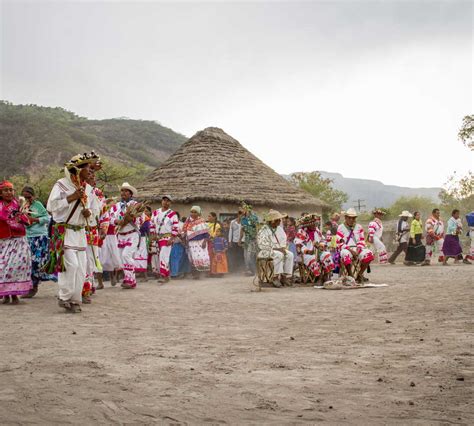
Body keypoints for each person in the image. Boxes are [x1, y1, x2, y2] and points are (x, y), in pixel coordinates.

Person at [46, 153, 94, 313]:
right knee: (71, 265)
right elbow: (52, 206)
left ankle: (75, 300)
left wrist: (89, 214)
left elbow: (93, 210)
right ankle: (64, 296)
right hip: (64, 231)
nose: (91, 172)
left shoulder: (88, 188)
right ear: (77, 170)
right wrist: (72, 197)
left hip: (80, 233)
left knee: (81, 268)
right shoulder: (61, 184)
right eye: (87, 169)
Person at [0, 181, 33, 304]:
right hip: (4, 241)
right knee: (4, 267)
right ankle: (5, 294)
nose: (9, 192)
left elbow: (26, 220)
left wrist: (21, 215)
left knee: (17, 267)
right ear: (1, 193)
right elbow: (4, 217)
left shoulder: (18, 204)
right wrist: (15, 214)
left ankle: (14, 294)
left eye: (11, 190)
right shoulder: (0, 206)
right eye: (6, 190)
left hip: (19, 240)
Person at [21, 186, 56, 298]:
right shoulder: (22, 206)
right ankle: (31, 287)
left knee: (37, 262)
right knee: (28, 263)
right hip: (27, 236)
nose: (28, 199)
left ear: (33, 196)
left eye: (29, 197)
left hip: (39, 236)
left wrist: (35, 220)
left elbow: (47, 218)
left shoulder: (38, 205)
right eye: (25, 197)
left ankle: (34, 286)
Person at [109, 182, 141, 289]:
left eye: (126, 191)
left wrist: (130, 219)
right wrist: (118, 221)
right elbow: (111, 219)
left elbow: (141, 219)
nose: (123, 193)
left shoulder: (136, 205)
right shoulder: (115, 206)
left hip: (132, 234)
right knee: (122, 258)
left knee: (126, 255)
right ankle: (130, 280)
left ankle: (130, 280)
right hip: (121, 235)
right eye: (122, 191)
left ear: (131, 194)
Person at [257, 209, 294, 288]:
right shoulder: (264, 229)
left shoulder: (279, 229)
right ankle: (275, 277)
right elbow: (262, 244)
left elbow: (283, 239)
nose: (280, 221)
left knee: (290, 254)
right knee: (279, 255)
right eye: (278, 220)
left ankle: (284, 276)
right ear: (273, 221)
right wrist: (277, 249)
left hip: (279, 250)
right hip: (265, 251)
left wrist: (283, 248)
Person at [336, 208, 374, 283]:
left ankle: (359, 275)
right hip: (346, 249)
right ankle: (350, 275)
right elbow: (339, 242)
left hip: (358, 249)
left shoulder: (359, 227)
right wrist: (351, 250)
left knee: (369, 253)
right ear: (346, 218)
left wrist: (359, 249)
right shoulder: (340, 227)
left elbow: (361, 240)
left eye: (353, 218)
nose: (351, 219)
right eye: (349, 218)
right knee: (345, 254)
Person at [150, 195, 179, 283]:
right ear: (161, 201)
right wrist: (153, 233)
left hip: (167, 237)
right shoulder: (156, 212)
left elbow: (175, 227)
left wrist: (172, 238)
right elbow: (151, 224)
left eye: (168, 201)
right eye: (164, 200)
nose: (165, 202)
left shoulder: (173, 214)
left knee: (164, 256)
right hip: (158, 237)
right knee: (160, 256)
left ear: (170, 203)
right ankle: (166, 275)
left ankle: (163, 275)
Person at [183, 206, 211, 279]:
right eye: (192, 212)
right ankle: (195, 274)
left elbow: (206, 233)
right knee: (192, 258)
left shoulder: (202, 221)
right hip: (191, 243)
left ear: (198, 213)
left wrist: (205, 241)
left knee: (200, 257)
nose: (193, 213)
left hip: (201, 242)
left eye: (195, 212)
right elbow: (185, 232)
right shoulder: (187, 221)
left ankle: (199, 274)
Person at [240, 203, 259, 276]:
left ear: (248, 209)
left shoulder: (254, 218)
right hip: (246, 239)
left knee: (250, 255)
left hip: (252, 239)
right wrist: (240, 239)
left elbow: (257, 228)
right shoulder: (243, 219)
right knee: (245, 256)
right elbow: (242, 229)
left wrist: (257, 238)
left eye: (244, 209)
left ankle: (252, 270)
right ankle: (248, 269)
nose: (242, 210)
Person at [170, 212, 191, 278]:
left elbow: (184, 233)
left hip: (179, 243)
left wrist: (179, 235)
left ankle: (176, 273)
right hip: (171, 244)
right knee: (173, 259)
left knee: (178, 258)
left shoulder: (182, 224)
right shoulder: (169, 224)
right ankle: (174, 273)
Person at [134, 206, 152, 280]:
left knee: (143, 256)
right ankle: (138, 275)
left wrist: (149, 241)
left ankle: (145, 276)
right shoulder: (136, 218)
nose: (145, 212)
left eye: (146, 211)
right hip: (135, 239)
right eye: (143, 211)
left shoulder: (146, 219)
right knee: (136, 256)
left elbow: (147, 231)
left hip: (143, 239)